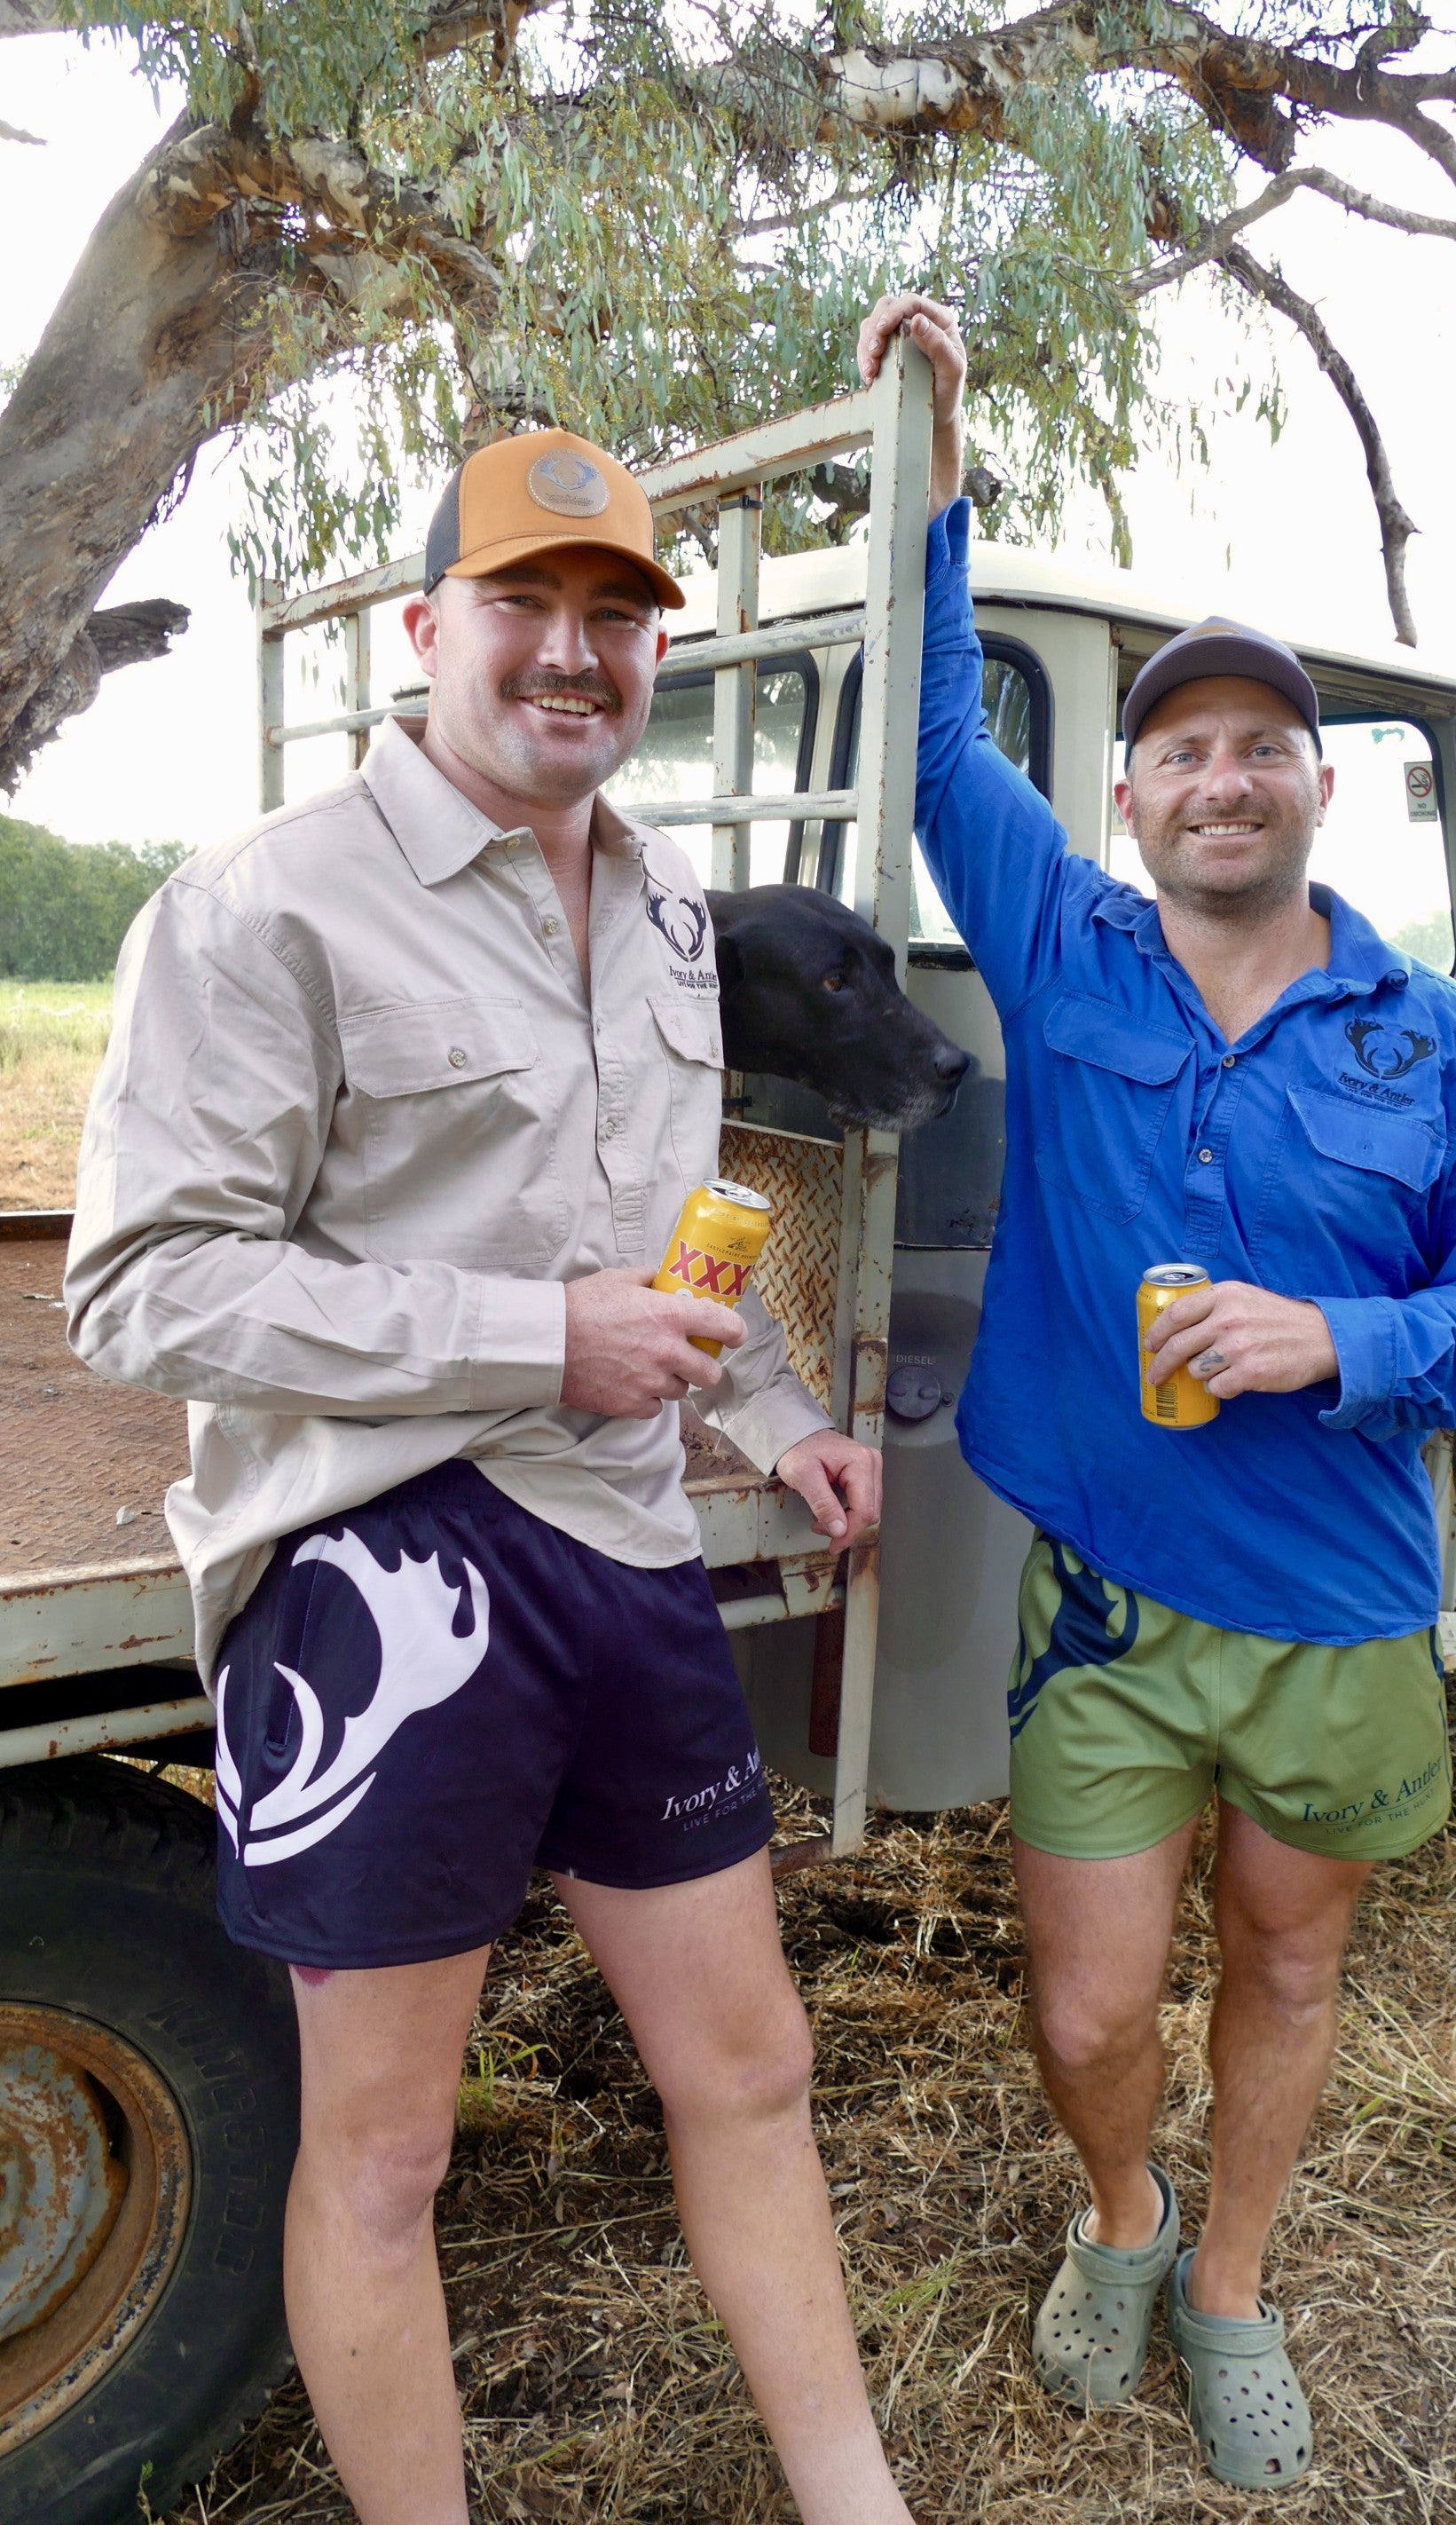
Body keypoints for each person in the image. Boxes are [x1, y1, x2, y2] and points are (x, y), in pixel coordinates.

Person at [66, 428, 916, 2525]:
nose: (575, 654)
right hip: (380, 1564)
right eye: (526, 607)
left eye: (618, 618)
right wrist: (535, 1338)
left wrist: (780, 1411)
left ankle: (857, 2503)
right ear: (425, 628)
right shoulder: (262, 908)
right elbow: (144, 1290)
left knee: (754, 2071)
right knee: (389, 2154)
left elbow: (677, 1223)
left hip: (623, 1542)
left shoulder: (671, 914)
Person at [855, 295, 1456, 2492]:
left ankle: (1234, 2289)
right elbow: (919, 744)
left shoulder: (1428, 1036)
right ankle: (1126, 2219)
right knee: (1087, 2005)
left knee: (1281, 1970)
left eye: (1263, 743)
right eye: (1183, 747)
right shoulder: (1066, 951)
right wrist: (939, 448)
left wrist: (1340, 1343)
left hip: (1343, 1611)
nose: (1223, 775)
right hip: (1109, 1598)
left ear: (1314, 787)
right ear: (1132, 792)